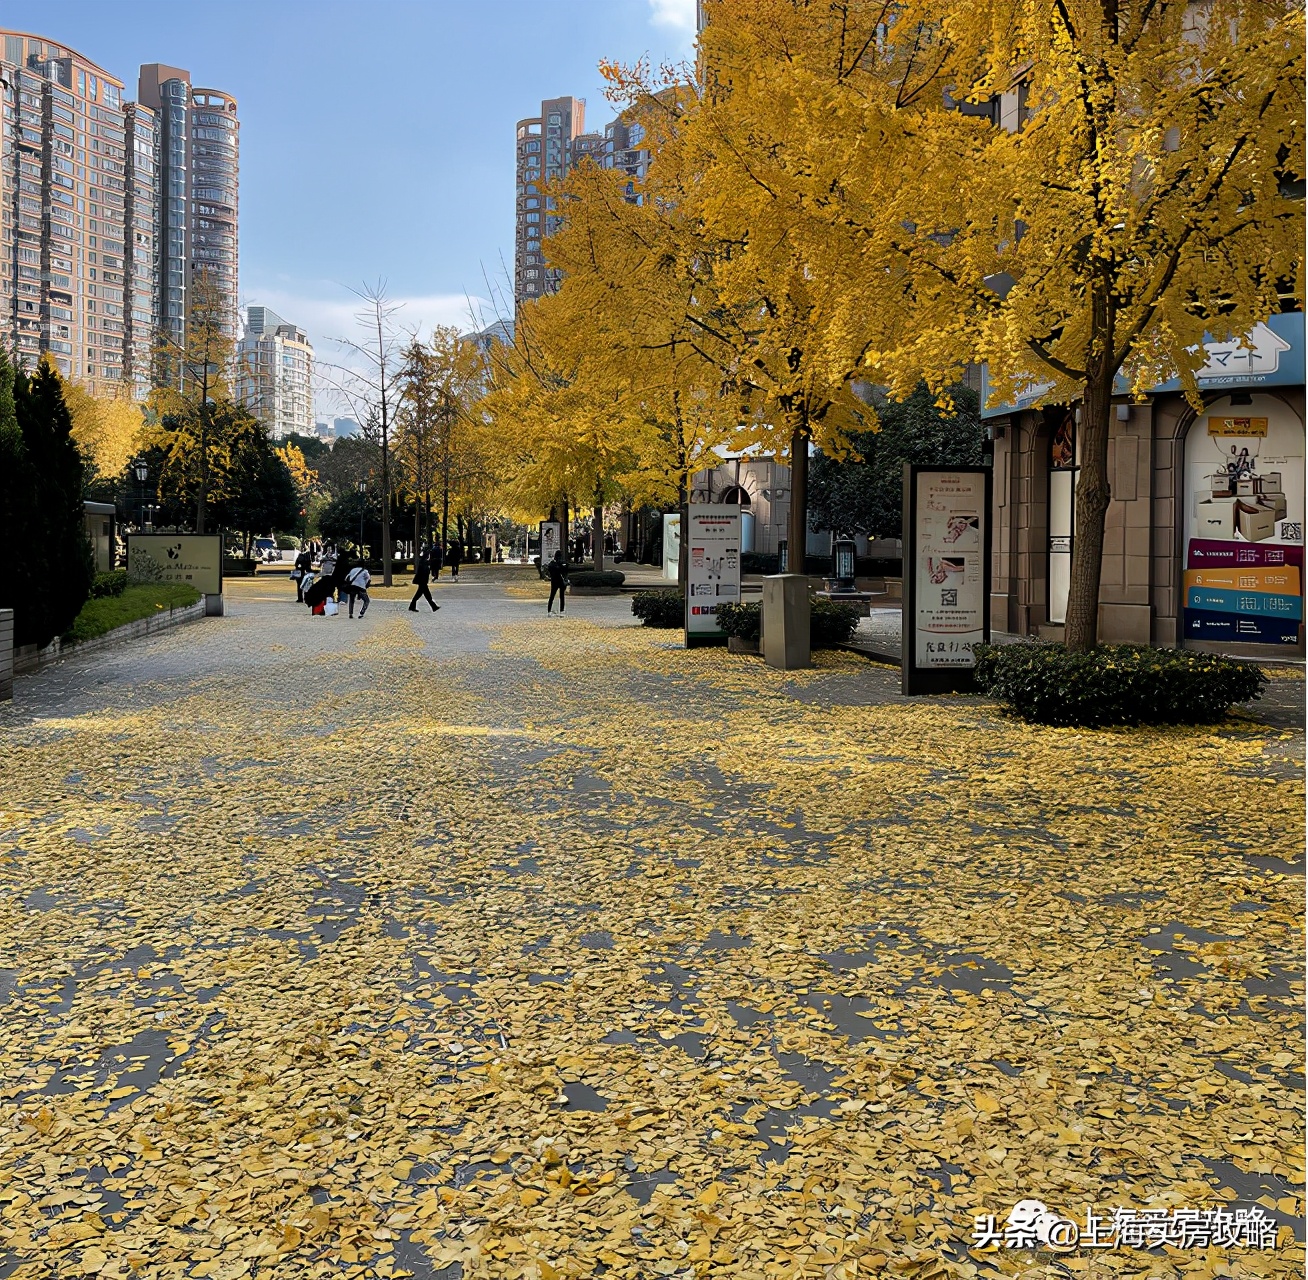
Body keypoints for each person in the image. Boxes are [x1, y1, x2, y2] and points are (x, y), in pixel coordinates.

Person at [408, 547, 440, 612]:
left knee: (426, 595)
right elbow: (424, 572)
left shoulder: (423, 562)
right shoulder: (424, 563)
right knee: (421, 595)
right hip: (422, 581)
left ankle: (434, 607)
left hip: (423, 581)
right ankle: (433, 607)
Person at [546, 550, 569, 615]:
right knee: (562, 596)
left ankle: (549, 611)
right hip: (562, 581)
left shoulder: (552, 563)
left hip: (554, 581)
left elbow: (549, 570)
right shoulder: (563, 563)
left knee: (552, 596)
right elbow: (566, 570)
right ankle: (562, 611)